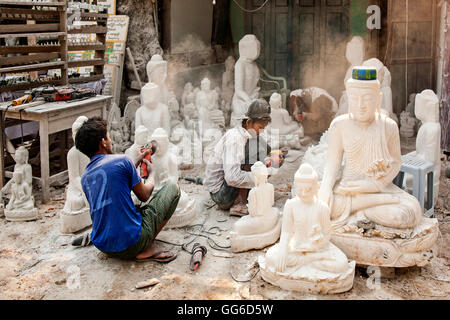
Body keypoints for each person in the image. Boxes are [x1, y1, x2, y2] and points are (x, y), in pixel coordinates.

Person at [72, 117, 181, 262]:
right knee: (173, 188)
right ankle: (144, 247)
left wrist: (134, 162)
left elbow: (116, 181)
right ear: (103, 142)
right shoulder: (122, 160)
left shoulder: (85, 176)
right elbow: (144, 195)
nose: (110, 141)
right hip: (131, 244)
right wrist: (152, 174)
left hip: (103, 245)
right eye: (109, 137)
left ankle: (120, 245)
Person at [204, 99, 277, 216]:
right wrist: (261, 175)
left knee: (260, 144)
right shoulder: (235, 139)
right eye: (260, 127)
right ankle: (240, 204)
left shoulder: (245, 134)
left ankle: (247, 195)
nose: (262, 131)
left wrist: (269, 161)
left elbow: (265, 150)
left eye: (264, 127)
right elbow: (232, 177)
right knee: (252, 150)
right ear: (248, 123)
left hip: (229, 186)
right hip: (221, 195)